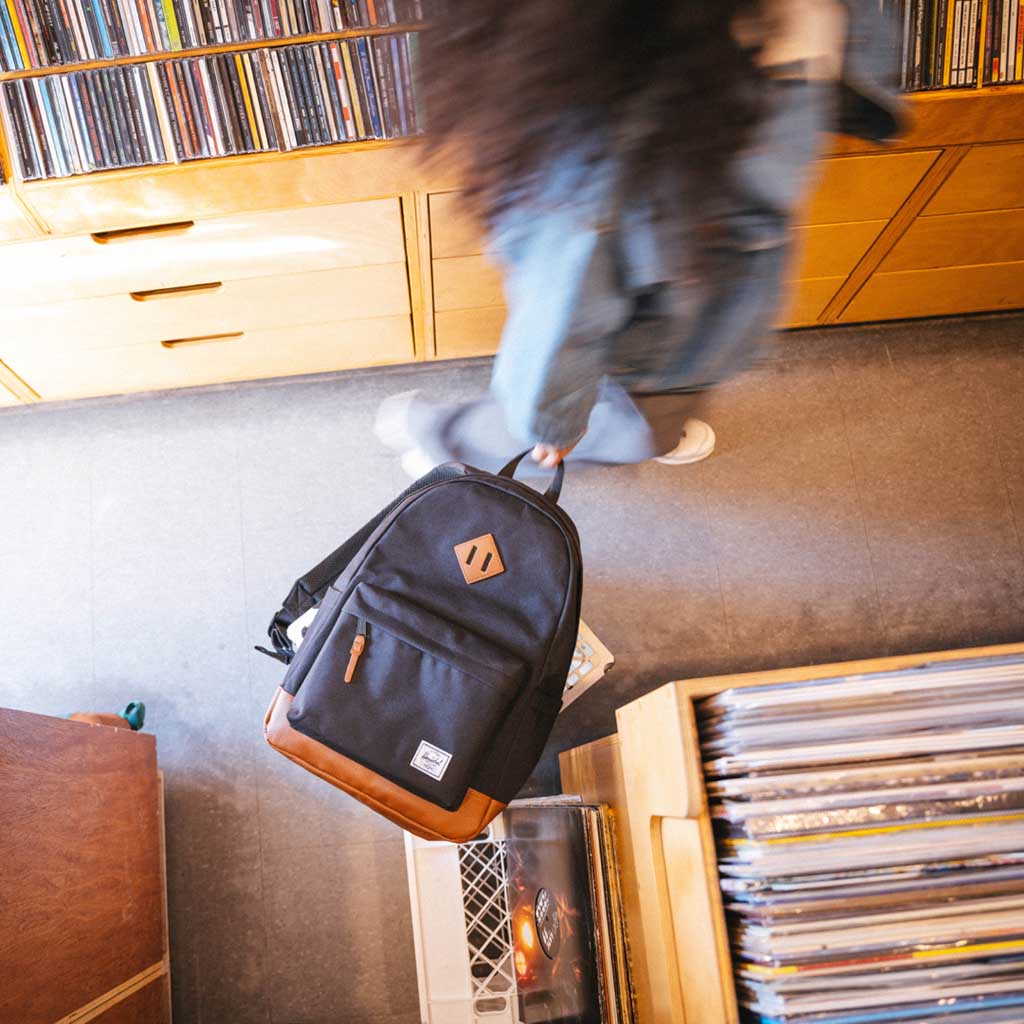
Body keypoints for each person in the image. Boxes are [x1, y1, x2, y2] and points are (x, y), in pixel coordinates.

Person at [377, 0, 904, 475]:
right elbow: (567, 308)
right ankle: (450, 440)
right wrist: (554, 423)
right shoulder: (614, 138)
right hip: (663, 341)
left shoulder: (747, 46)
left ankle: (629, 425)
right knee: (622, 425)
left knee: (638, 404)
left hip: (693, 315)